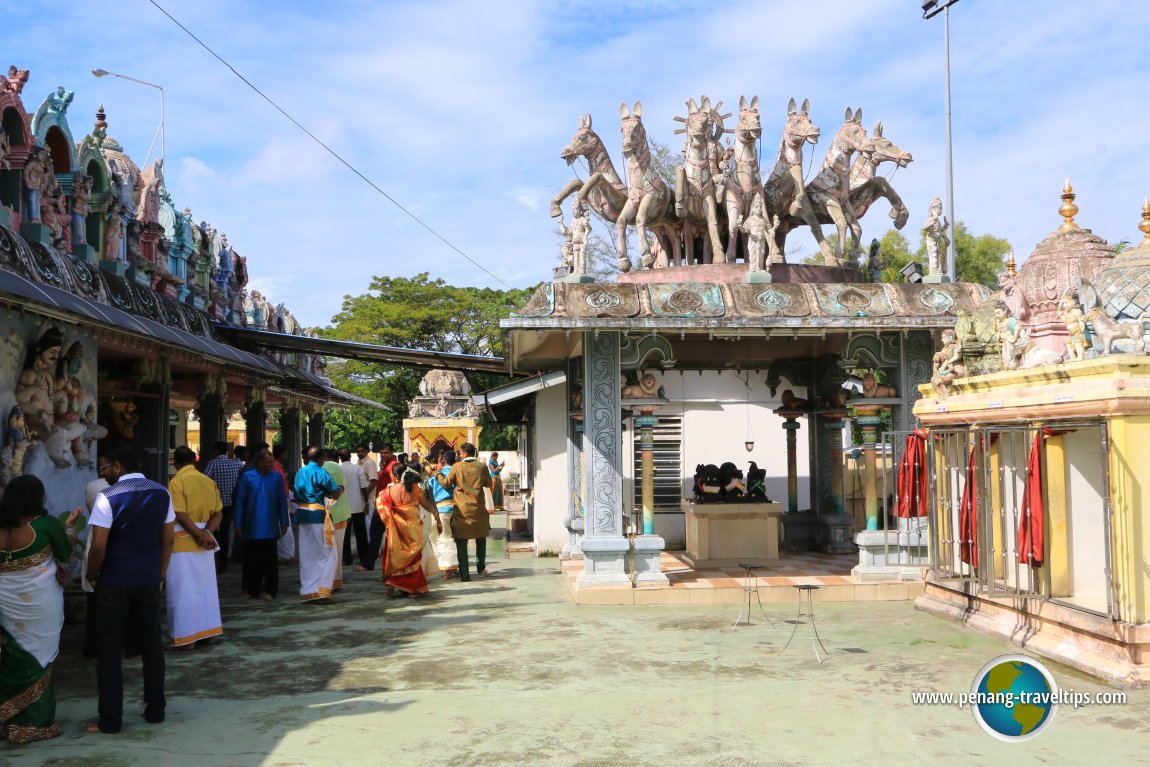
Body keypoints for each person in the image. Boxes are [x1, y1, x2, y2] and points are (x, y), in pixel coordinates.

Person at [85, 446, 174, 734]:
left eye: (105, 468)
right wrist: (160, 573)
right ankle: (156, 709)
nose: (103, 473)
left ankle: (110, 720)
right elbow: (168, 540)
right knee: (151, 645)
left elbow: (98, 546)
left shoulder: (107, 497)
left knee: (109, 649)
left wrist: (91, 574)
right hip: (148, 579)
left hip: (114, 580)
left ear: (118, 466)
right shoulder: (161, 492)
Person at [0, 476, 72, 743]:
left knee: (11, 656)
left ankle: (7, 718)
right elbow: (67, 554)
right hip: (42, 606)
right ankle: (35, 725)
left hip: (6, 605)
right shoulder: (46, 525)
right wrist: (70, 531)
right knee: (40, 657)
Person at [166, 446, 223, 649]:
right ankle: (208, 633)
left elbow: (180, 514)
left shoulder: (176, 481)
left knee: (182, 591)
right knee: (205, 589)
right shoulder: (208, 481)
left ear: (175, 462)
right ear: (194, 460)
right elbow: (218, 513)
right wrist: (206, 533)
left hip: (183, 540)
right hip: (206, 541)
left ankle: (186, 638)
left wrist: (199, 534)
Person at [377, 461, 441, 597]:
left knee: (394, 556)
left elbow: (381, 508)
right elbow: (427, 505)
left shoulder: (388, 491)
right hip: (413, 531)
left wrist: (390, 522)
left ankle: (392, 585)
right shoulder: (414, 488)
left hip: (395, 531)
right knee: (412, 559)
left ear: (395, 476)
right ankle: (411, 589)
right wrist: (436, 515)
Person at [234, 448, 289, 601]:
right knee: (251, 561)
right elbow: (239, 501)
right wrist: (238, 523)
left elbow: (281, 501)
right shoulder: (247, 477)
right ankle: (251, 590)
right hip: (250, 526)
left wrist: (284, 521)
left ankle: (271, 590)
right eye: (269, 462)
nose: (272, 465)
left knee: (270, 560)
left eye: (273, 462)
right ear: (259, 462)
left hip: (270, 525)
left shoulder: (276, 477)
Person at [292, 446, 342, 604]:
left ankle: (308, 591)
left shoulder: (300, 472)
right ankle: (321, 591)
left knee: (307, 555)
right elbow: (334, 491)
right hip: (317, 516)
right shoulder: (320, 472)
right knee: (328, 554)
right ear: (322, 458)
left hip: (303, 514)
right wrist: (340, 489)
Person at [437, 443, 492, 582]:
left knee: (461, 541)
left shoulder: (457, 466)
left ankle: (465, 575)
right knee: (481, 537)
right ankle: (480, 567)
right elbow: (488, 483)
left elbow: (446, 483)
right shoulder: (482, 466)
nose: (459, 455)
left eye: (460, 453)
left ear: (464, 453)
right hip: (478, 508)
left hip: (462, 509)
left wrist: (437, 474)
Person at [203, 442, 243, 574]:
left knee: (217, 532)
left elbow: (204, 481)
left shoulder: (212, 464)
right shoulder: (237, 464)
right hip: (233, 504)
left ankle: (218, 561)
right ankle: (229, 559)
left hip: (217, 505)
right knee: (230, 532)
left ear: (215, 451)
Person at [361, 443, 397, 572]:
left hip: (386, 504)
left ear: (392, 453)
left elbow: (394, 485)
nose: (383, 455)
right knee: (377, 533)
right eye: (381, 453)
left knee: (375, 533)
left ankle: (368, 563)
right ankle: (370, 562)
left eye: (386, 453)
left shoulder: (392, 466)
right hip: (382, 502)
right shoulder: (386, 465)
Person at [425, 450, 459, 577]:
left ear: (442, 461)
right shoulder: (457, 473)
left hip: (441, 510)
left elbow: (428, 492)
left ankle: (446, 567)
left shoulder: (435, 476)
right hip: (456, 508)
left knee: (443, 537)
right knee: (455, 537)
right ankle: (453, 565)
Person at [321, 449, 349, 590]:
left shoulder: (320, 468)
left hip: (325, 512)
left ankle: (327, 582)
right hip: (341, 512)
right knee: (338, 549)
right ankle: (337, 579)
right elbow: (343, 487)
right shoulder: (339, 467)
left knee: (326, 550)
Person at [339, 449, 370, 568]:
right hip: (357, 505)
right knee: (360, 533)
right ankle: (363, 557)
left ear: (340, 458)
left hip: (343, 507)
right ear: (350, 457)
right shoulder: (357, 468)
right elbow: (363, 486)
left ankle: (347, 558)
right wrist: (366, 501)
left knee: (345, 534)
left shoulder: (339, 469)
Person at [270, 444, 296, 564]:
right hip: (279, 502)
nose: (287, 456)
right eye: (285, 454)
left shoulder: (278, 467)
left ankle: (286, 555)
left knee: (286, 530)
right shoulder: (275, 468)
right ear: (281, 454)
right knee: (284, 530)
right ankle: (285, 556)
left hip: (283, 500)